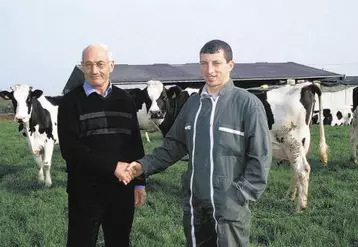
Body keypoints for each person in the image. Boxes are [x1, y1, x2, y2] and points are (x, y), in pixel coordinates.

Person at [118, 39, 272, 247]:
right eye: (204, 63)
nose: (210, 70)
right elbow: (173, 146)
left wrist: (241, 194)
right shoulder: (192, 104)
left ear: (230, 65)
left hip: (229, 204)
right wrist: (142, 166)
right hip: (195, 205)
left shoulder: (247, 104)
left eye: (216, 63)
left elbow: (260, 156)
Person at [58, 43, 146, 247]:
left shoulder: (125, 101)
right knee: (80, 242)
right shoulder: (70, 102)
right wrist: (113, 166)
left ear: (111, 65)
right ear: (82, 67)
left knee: (119, 241)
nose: (94, 70)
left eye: (100, 64)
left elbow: (134, 144)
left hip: (122, 190)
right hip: (85, 191)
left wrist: (140, 182)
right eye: (88, 65)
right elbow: (71, 149)